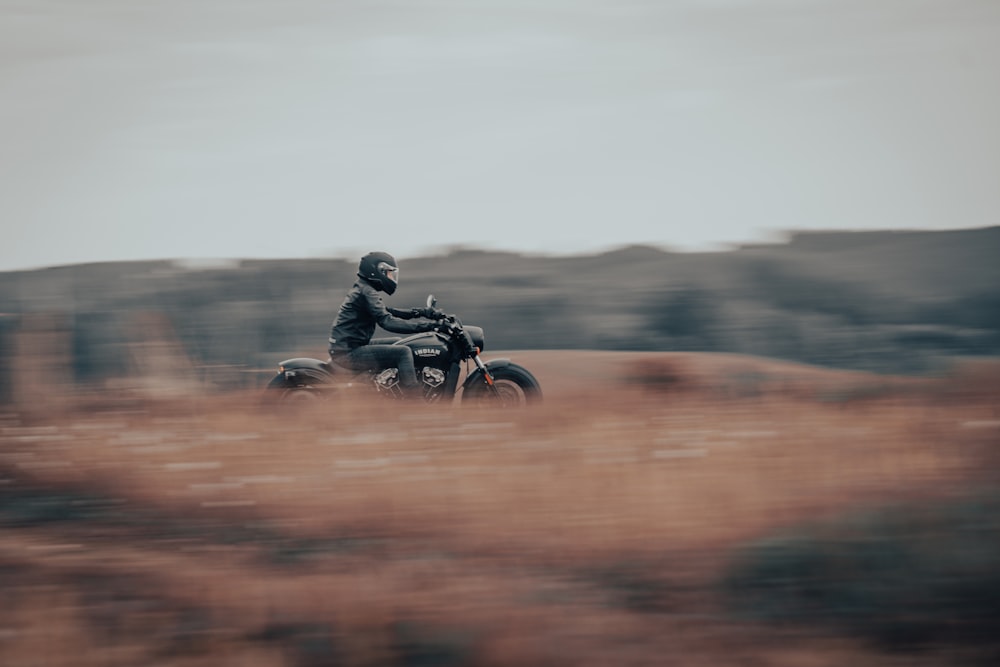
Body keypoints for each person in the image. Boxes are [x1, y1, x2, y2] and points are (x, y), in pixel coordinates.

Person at [328, 251, 444, 397]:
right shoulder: (367, 292)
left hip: (348, 346)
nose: (392, 277)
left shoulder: (364, 289)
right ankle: (415, 400)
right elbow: (387, 321)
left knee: (400, 343)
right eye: (389, 273)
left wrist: (422, 312)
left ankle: (392, 390)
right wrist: (429, 326)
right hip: (347, 353)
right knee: (403, 352)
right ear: (377, 271)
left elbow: (387, 311)